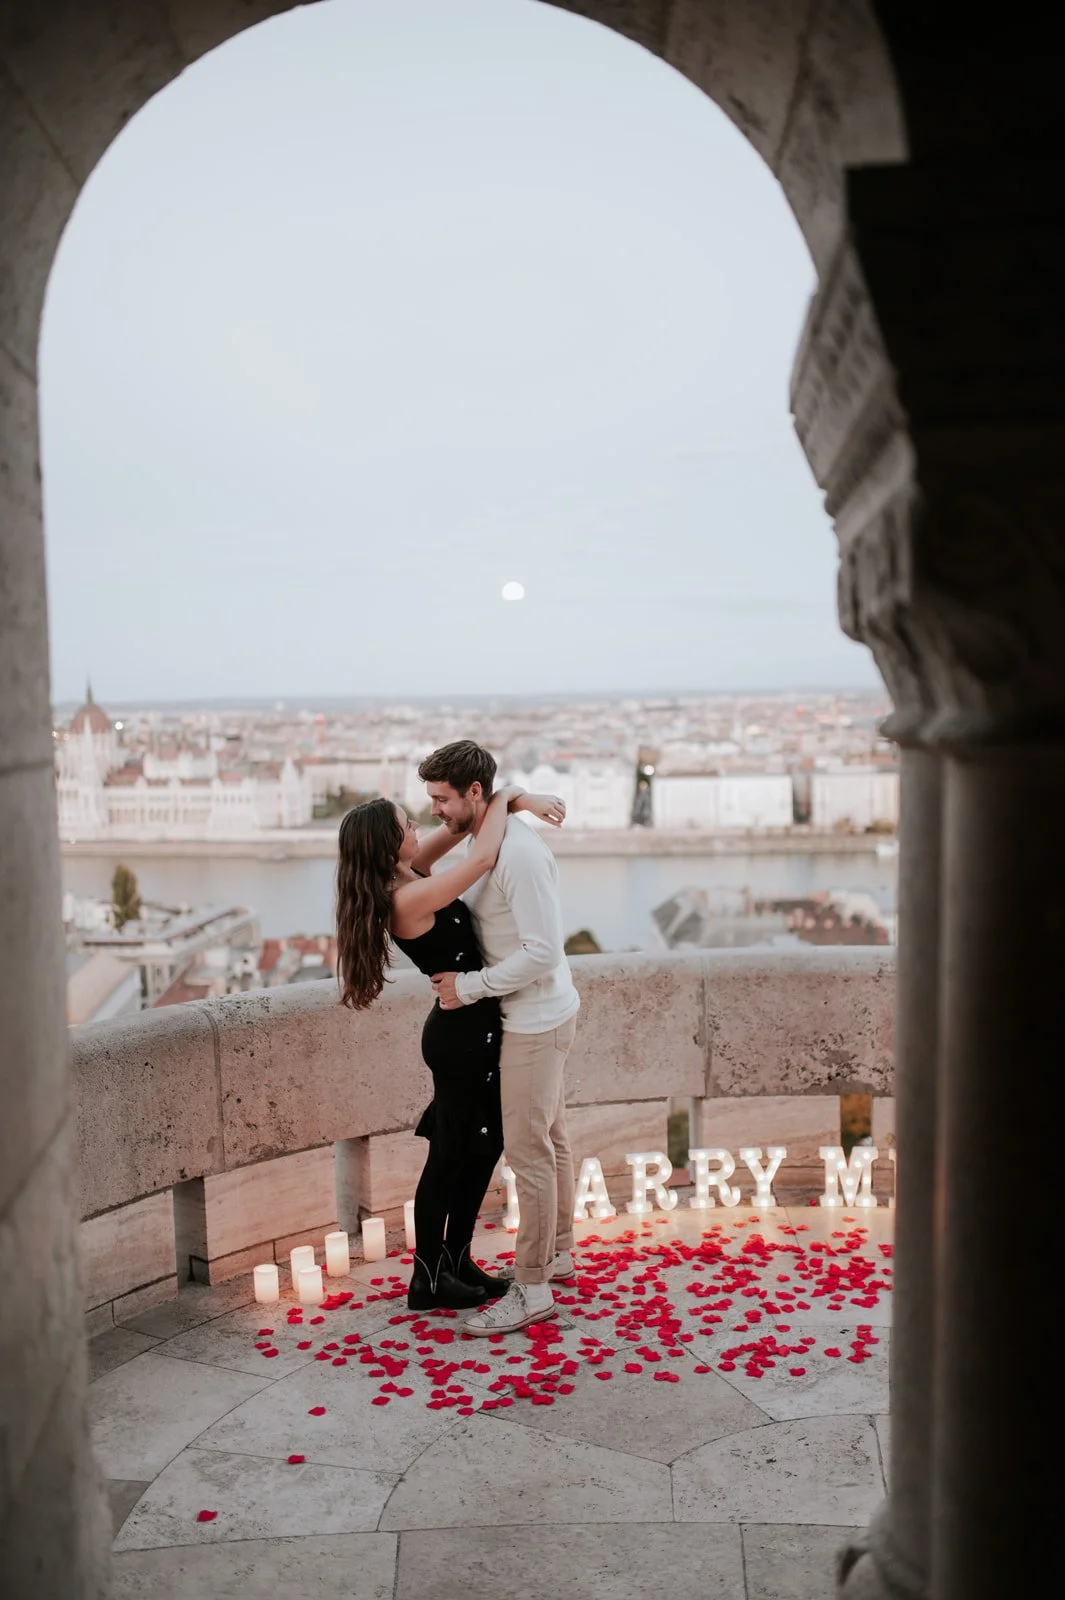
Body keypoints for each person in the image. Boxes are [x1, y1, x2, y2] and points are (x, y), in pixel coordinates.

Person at [334, 783, 565, 1313]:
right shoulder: (408, 897)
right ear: (387, 846)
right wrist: (515, 799)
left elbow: (458, 829)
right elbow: (482, 855)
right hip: (459, 1037)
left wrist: (505, 798)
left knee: (481, 1149)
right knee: (448, 1158)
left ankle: (457, 1263)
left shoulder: (407, 875)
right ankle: (429, 1276)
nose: (418, 828)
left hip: (470, 1027)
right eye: (406, 826)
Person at [419, 740, 581, 1336]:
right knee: (553, 1139)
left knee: (530, 1152)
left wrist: (470, 987)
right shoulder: (492, 830)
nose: (434, 809)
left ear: (474, 794)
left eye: (441, 798)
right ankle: (558, 1254)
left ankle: (533, 1287)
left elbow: (542, 951)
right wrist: (519, 795)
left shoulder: (518, 854)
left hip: (534, 1019)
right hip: (541, 1011)